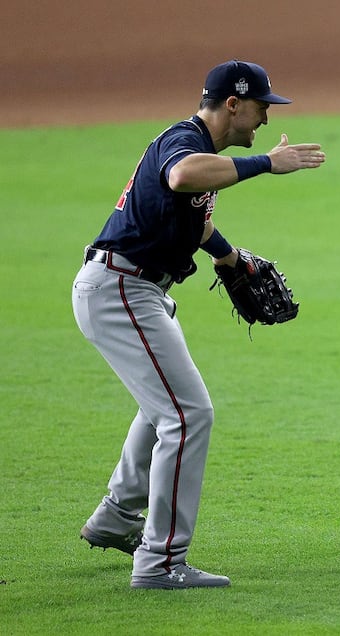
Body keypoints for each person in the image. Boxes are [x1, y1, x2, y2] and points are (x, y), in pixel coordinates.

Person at [72, 60, 325, 589]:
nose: (262, 119)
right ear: (232, 104)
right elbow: (182, 176)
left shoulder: (200, 148)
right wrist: (267, 163)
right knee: (188, 416)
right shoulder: (184, 140)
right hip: (121, 289)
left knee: (164, 408)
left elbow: (196, 216)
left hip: (134, 289)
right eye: (260, 107)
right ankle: (162, 562)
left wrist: (229, 258)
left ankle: (117, 517)